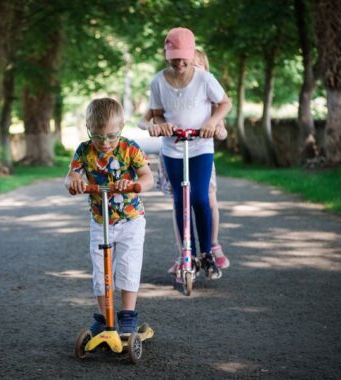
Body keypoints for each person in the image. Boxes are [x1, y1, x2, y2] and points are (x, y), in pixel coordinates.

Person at [146, 27, 232, 277]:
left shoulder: (205, 78)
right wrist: (161, 124)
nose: (180, 62)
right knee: (180, 200)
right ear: (166, 54)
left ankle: (207, 253)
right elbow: (157, 112)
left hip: (200, 147)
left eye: (185, 57)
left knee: (200, 198)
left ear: (193, 54)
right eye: (175, 57)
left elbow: (225, 103)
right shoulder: (158, 81)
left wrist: (212, 122)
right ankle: (187, 254)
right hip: (173, 149)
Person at [65, 97, 154, 336]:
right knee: (100, 271)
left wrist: (134, 185)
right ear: (88, 130)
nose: (105, 143)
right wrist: (75, 182)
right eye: (98, 136)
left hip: (131, 220)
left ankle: (127, 316)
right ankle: (105, 318)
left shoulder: (130, 148)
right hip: (100, 220)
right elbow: (70, 177)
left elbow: (148, 177)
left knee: (128, 266)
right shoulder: (84, 150)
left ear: (121, 129)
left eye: (112, 136)